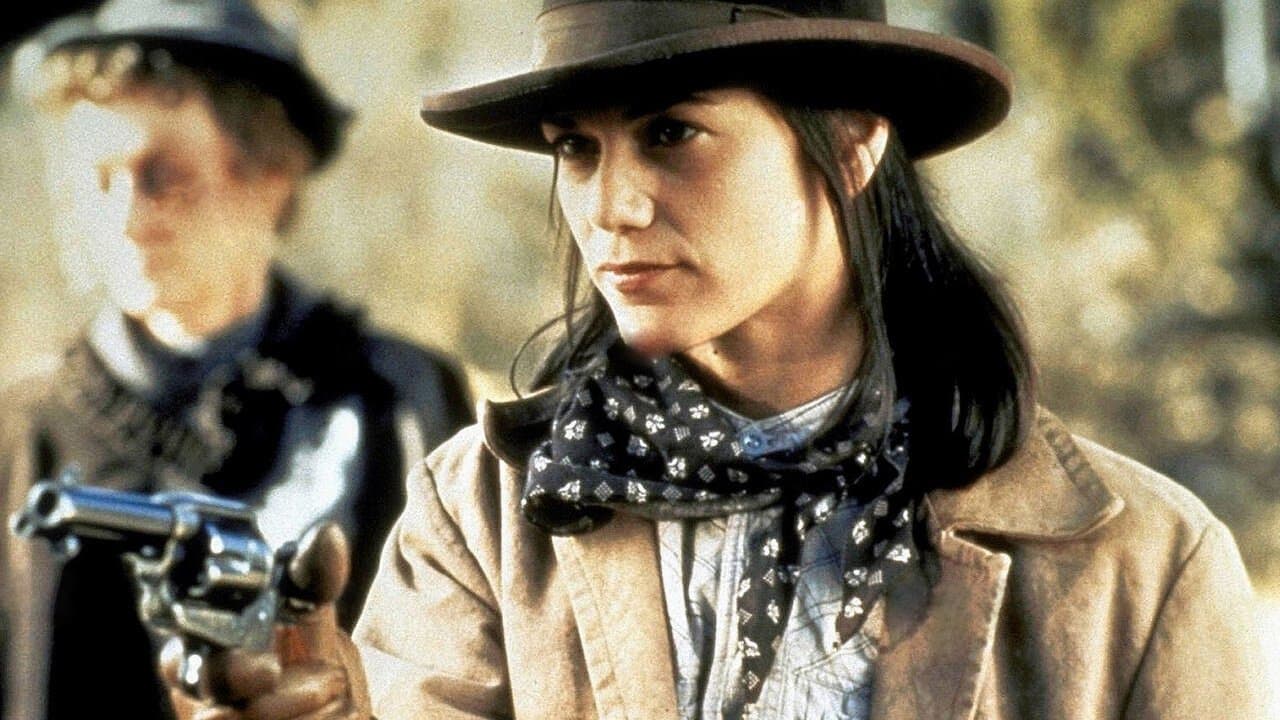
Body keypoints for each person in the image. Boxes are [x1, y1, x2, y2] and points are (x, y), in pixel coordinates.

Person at [163, 0, 1270, 718]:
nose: (610, 207)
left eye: (670, 134)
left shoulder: (1139, 567)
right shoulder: (484, 517)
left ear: (852, 141)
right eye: (577, 149)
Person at [0, 1, 473, 718]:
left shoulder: (402, 401)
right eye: (99, 179)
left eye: (165, 176)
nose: (128, 217)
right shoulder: (21, 427)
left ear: (271, 176)